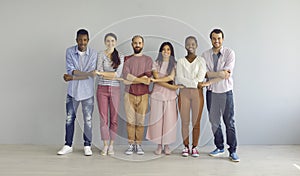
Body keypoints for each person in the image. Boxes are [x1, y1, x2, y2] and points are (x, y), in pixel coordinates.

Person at [201, 28, 240, 162]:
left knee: (229, 122)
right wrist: (218, 75)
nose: (216, 41)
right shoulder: (205, 55)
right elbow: (205, 74)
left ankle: (233, 151)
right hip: (212, 93)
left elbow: (227, 75)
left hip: (226, 92)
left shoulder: (229, 53)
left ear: (222, 39)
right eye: (214, 38)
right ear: (210, 39)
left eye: (219, 38)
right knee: (214, 122)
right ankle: (219, 147)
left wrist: (208, 81)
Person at [57, 29, 97, 156]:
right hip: (73, 92)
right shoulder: (69, 51)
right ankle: (68, 145)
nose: (82, 42)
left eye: (85, 40)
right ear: (76, 40)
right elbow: (72, 70)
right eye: (80, 40)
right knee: (70, 119)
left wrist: (72, 77)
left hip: (87, 92)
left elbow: (90, 75)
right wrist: (78, 74)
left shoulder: (93, 54)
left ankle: (87, 145)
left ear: (88, 40)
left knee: (88, 120)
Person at [146, 42, 182, 155]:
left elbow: (171, 77)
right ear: (160, 51)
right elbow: (157, 76)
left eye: (168, 49)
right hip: (157, 96)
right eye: (164, 49)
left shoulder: (175, 64)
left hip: (170, 97)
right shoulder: (155, 63)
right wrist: (172, 86)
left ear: (171, 52)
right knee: (157, 122)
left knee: (169, 122)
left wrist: (156, 81)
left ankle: (166, 145)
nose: (166, 51)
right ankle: (159, 145)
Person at [122, 35, 153, 155]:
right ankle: (130, 144)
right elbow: (126, 77)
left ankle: (138, 145)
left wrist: (131, 79)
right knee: (130, 121)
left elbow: (147, 78)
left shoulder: (148, 60)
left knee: (140, 122)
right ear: (132, 44)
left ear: (143, 44)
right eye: (135, 43)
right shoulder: (127, 59)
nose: (137, 45)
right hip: (129, 94)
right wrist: (140, 79)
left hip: (143, 95)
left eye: (139, 43)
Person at [176, 36, 206, 157]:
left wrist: (189, 82)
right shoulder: (180, 61)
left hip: (197, 94)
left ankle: (194, 147)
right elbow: (179, 78)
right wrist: (194, 83)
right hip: (184, 94)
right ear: (185, 45)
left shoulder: (201, 61)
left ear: (196, 45)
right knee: (184, 121)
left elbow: (201, 77)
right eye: (188, 44)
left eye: (193, 44)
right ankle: (185, 146)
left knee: (196, 122)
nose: (191, 46)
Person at [95, 33, 124, 156]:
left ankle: (112, 145)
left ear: (116, 42)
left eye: (112, 41)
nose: (110, 43)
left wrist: (102, 73)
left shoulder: (121, 56)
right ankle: (105, 145)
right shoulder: (100, 54)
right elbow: (98, 71)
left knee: (114, 119)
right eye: (108, 41)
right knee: (103, 119)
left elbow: (117, 75)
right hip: (102, 89)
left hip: (115, 89)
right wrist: (103, 74)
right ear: (105, 42)